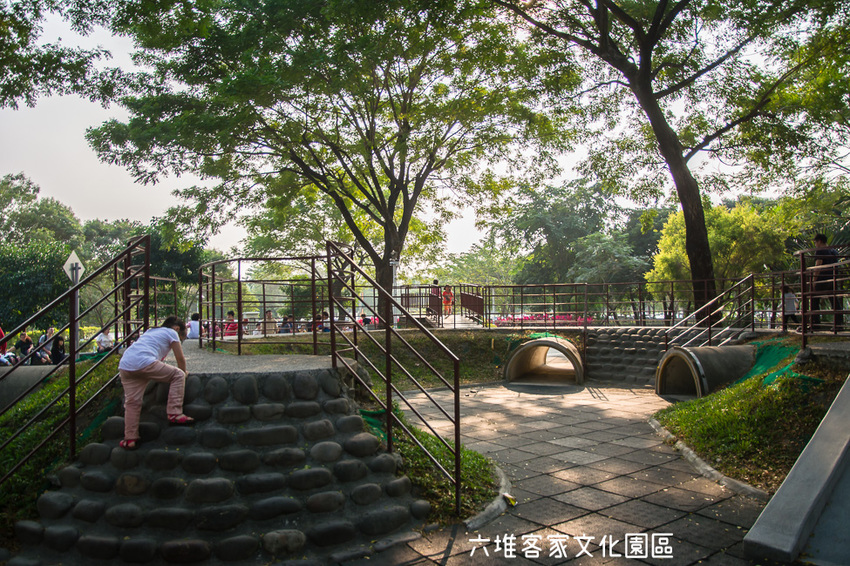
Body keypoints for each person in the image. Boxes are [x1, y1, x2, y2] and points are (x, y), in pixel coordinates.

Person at [118, 316, 192, 450]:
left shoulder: (150, 332)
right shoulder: (172, 332)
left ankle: (130, 438)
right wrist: (183, 373)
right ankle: (174, 413)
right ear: (176, 329)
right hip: (144, 362)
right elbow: (180, 359)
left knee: (132, 403)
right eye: (182, 338)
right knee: (178, 375)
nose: (180, 340)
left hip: (125, 365)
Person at [811, 234, 843, 330]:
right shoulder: (833, 250)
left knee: (814, 299)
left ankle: (815, 323)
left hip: (822, 278)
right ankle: (838, 324)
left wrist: (814, 279)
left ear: (819, 241)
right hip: (832, 277)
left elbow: (818, 265)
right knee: (834, 300)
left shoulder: (820, 250)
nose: (815, 244)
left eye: (815, 242)